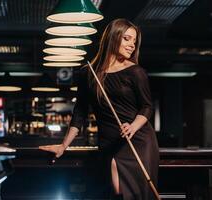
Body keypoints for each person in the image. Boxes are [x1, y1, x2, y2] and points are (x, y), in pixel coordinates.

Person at [39, 18, 159, 200]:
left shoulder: (136, 72)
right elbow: (79, 113)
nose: (132, 45)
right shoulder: (88, 73)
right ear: (113, 37)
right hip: (108, 141)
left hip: (138, 139)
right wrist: (64, 145)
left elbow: (147, 107)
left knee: (128, 193)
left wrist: (133, 126)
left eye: (134, 41)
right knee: (115, 191)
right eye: (127, 39)